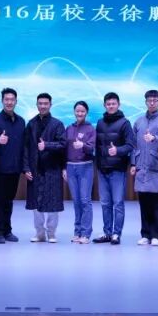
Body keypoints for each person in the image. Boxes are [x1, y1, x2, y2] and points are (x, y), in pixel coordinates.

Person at [23, 93, 67, 242]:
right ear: (37, 105)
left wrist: (46, 145)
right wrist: (26, 168)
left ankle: (52, 233)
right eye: (40, 103)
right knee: (36, 203)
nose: (42, 106)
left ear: (50, 105)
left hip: (52, 168)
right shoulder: (31, 123)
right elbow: (26, 147)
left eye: (45, 103)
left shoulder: (57, 124)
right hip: (35, 168)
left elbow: (63, 144)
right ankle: (40, 233)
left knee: (53, 203)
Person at [132, 89, 158, 246]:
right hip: (141, 167)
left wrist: (154, 138)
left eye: (155, 100)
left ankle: (157, 235)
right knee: (144, 202)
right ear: (145, 102)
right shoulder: (139, 122)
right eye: (149, 100)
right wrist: (133, 164)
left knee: (157, 203)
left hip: (156, 168)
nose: (152, 103)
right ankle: (145, 234)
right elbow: (134, 145)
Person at [93, 92, 135, 245]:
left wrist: (117, 150)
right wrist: (98, 164)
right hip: (102, 169)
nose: (111, 106)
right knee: (105, 203)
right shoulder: (100, 123)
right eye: (108, 104)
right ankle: (107, 233)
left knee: (118, 203)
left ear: (118, 104)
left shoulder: (125, 123)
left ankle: (117, 234)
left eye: (113, 103)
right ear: (105, 105)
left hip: (118, 169)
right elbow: (97, 146)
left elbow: (130, 145)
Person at [0, 87, 26, 244]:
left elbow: (23, 146)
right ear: (2, 101)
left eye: (12, 100)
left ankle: (7, 230)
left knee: (9, 200)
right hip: (0, 167)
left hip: (15, 168)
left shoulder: (21, 121)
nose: (9, 102)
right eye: (6, 99)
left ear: (16, 101)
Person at [64, 100, 96, 243]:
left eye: (82, 111)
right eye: (77, 111)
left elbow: (92, 148)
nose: (80, 113)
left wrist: (82, 145)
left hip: (85, 167)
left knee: (85, 200)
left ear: (86, 113)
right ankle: (77, 232)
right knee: (76, 201)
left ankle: (86, 234)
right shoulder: (69, 128)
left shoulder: (90, 129)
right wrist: (64, 168)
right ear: (74, 112)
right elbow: (64, 149)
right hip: (70, 167)